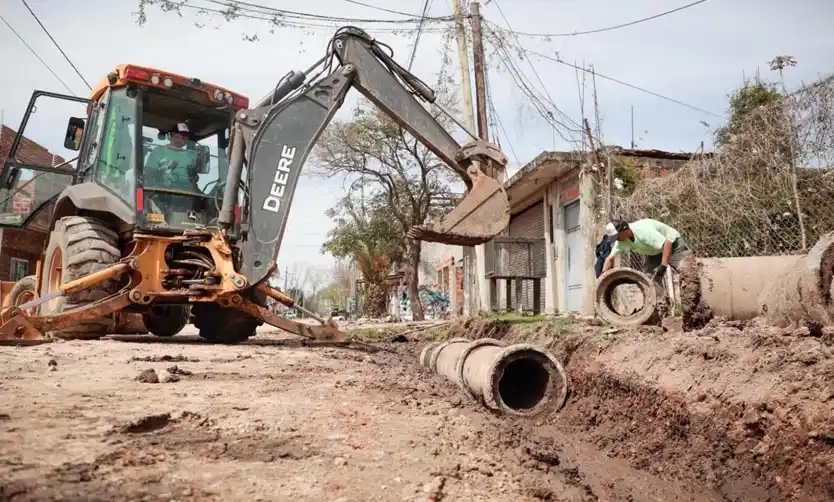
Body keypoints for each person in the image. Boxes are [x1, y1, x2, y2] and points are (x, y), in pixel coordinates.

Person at [601, 218, 692, 292]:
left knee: (688, 272)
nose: (616, 240)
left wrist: (663, 266)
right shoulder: (621, 241)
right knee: (649, 279)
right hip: (655, 251)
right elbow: (609, 259)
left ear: (624, 230)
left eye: (617, 237)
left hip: (673, 244)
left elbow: (667, 243)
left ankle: (694, 307)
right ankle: (659, 307)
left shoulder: (643, 231)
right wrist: (603, 276)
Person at [144, 122, 200, 192]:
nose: (185, 138)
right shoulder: (159, 151)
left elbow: (193, 177)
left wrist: (194, 178)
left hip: (186, 193)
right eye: (182, 135)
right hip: (164, 192)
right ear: (173, 135)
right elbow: (149, 174)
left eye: (187, 136)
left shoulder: (190, 155)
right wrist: (162, 171)